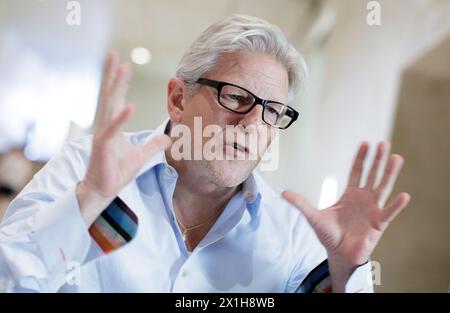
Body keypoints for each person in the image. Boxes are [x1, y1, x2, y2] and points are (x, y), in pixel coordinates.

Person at [0, 14, 409, 292]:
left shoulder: (295, 235)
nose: (252, 126)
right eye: (235, 97)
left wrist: (348, 269)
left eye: (272, 112)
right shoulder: (86, 168)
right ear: (178, 99)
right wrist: (86, 201)